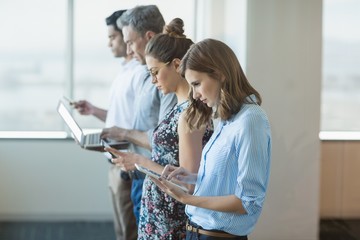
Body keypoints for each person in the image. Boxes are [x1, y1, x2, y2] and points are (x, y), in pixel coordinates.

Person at [153, 39, 272, 239]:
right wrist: (190, 177)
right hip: (196, 231)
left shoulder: (251, 120)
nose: (195, 95)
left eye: (197, 84)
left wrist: (188, 199)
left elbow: (248, 202)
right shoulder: (227, 118)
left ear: (219, 74)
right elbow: (224, 181)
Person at [105, 18, 213, 239]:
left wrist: (139, 160)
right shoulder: (180, 108)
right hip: (160, 213)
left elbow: (188, 183)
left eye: (155, 71)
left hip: (172, 219)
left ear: (175, 65)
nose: (153, 80)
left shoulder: (189, 113)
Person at [100, 5, 177, 224]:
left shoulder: (167, 79)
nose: (128, 50)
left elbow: (166, 141)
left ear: (149, 36)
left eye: (130, 42)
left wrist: (124, 134)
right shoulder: (145, 75)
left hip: (155, 178)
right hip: (139, 174)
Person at [72, 10, 142, 240]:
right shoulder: (124, 72)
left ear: (125, 35)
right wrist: (93, 111)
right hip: (114, 161)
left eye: (113, 37)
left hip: (127, 164)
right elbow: (119, 117)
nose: (109, 43)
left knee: (130, 231)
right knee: (121, 231)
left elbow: (138, 125)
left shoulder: (140, 74)